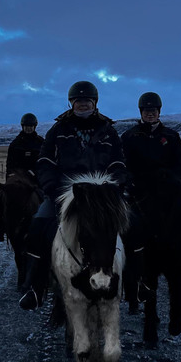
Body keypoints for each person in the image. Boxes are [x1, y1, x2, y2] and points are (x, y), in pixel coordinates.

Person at [19, 80, 128, 310]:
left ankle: (132, 285)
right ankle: (35, 287)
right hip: (64, 195)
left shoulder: (108, 131)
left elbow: (118, 162)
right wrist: (53, 189)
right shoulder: (58, 130)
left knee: (132, 227)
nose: (82, 105)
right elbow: (45, 162)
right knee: (39, 226)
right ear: (71, 103)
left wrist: (114, 186)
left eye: (86, 101)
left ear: (95, 103)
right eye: (78, 101)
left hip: (101, 198)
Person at [120, 92, 181, 337]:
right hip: (139, 199)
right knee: (131, 243)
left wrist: (173, 180)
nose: (150, 113)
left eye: (154, 109)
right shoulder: (129, 137)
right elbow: (121, 165)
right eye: (146, 110)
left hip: (168, 198)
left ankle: (178, 310)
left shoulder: (171, 136)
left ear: (159, 111)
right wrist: (130, 183)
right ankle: (145, 312)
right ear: (141, 112)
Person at [0, 113, 44, 244]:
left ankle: (46, 228)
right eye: (26, 126)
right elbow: (10, 165)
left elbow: (43, 162)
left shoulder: (41, 143)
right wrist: (12, 176)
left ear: (34, 126)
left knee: (45, 198)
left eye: (30, 126)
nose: (28, 128)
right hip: (16, 180)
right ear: (22, 126)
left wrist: (34, 173)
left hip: (35, 180)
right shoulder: (15, 144)